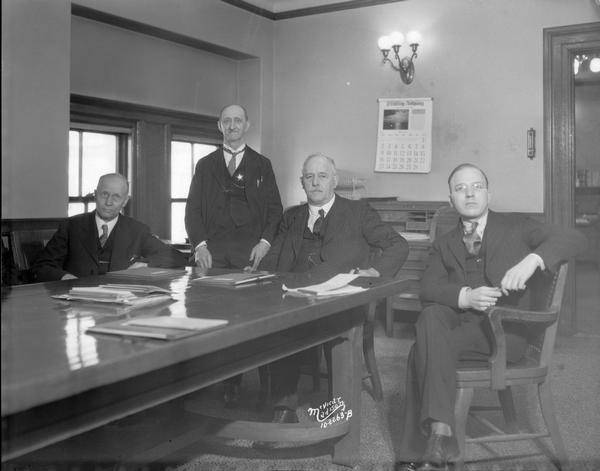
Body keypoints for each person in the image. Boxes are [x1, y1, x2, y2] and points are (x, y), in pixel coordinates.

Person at [396, 163, 586, 471]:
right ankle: (440, 435)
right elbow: (428, 288)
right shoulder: (444, 243)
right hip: (461, 325)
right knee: (430, 317)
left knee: (423, 348)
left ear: (488, 192)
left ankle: (422, 448)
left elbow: (574, 238)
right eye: (460, 189)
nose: (469, 193)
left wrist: (534, 260)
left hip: (505, 332)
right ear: (450, 200)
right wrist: (466, 296)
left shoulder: (517, 226)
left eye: (476, 186)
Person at [259, 153, 409, 424]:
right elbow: (273, 260)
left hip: (340, 301)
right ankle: (283, 409)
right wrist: (260, 277)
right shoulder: (291, 216)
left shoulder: (358, 213)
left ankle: (337, 410)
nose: (315, 182)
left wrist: (374, 272)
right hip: (296, 298)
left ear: (334, 181)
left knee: (336, 325)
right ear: (302, 182)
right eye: (309, 177)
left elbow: (398, 245)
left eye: (322, 176)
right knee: (277, 323)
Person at [185, 104, 283, 407]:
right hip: (212, 257)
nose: (232, 125)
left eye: (237, 120)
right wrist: (199, 246)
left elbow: (274, 211)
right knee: (212, 322)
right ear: (219, 126)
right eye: (226, 121)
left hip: (249, 258)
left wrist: (265, 243)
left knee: (248, 323)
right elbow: (192, 211)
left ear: (247, 125)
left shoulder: (262, 164)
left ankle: (250, 387)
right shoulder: (205, 165)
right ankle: (219, 384)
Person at [32, 173, 188, 282]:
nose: (108, 202)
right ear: (95, 194)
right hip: (76, 302)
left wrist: (146, 264)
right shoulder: (71, 226)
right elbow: (43, 266)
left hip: (121, 303)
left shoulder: (137, 230)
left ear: (125, 201)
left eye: (116, 197)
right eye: (104, 194)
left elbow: (177, 257)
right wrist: (65, 278)